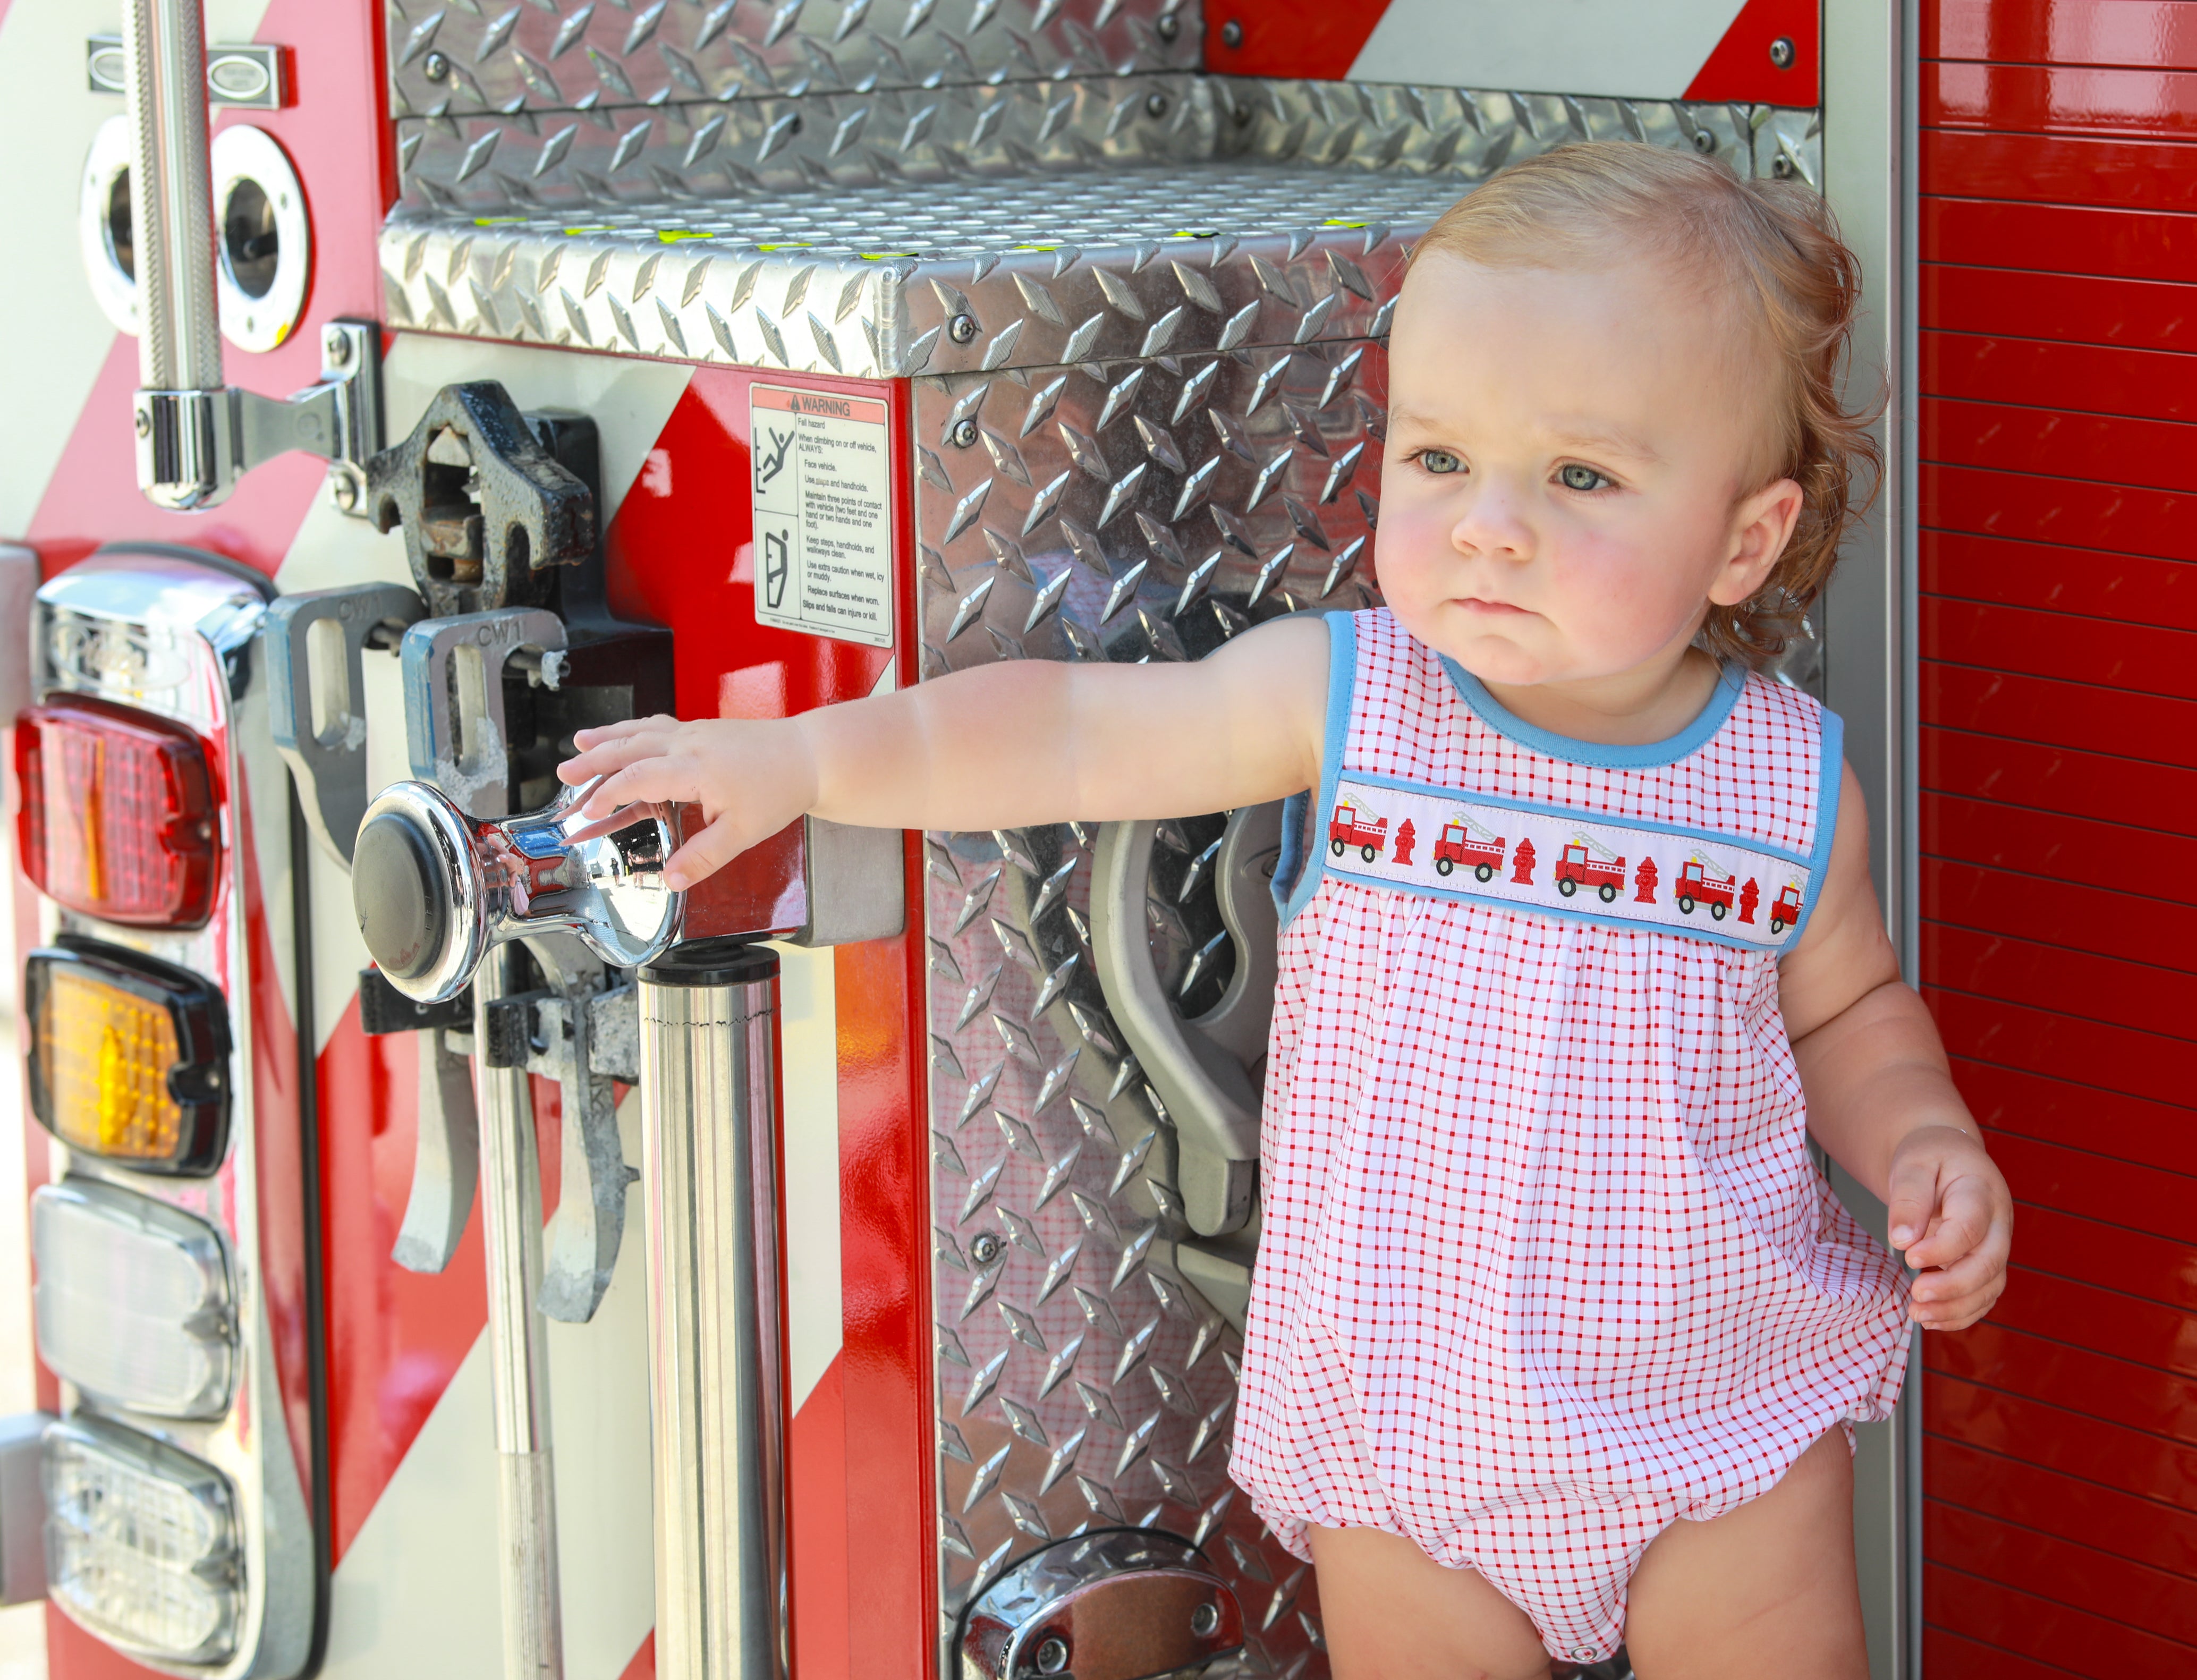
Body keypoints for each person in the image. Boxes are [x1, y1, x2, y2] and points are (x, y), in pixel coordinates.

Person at [559, 141, 2012, 1680]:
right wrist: (800, 759)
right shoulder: (1351, 700)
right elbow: (1069, 731)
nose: (1488, 524)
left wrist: (1922, 1138)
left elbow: (1848, 1012)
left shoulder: (1784, 783)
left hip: (1721, 1416)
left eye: (1579, 477)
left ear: (1743, 540)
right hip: (1405, 1429)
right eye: (1439, 458)